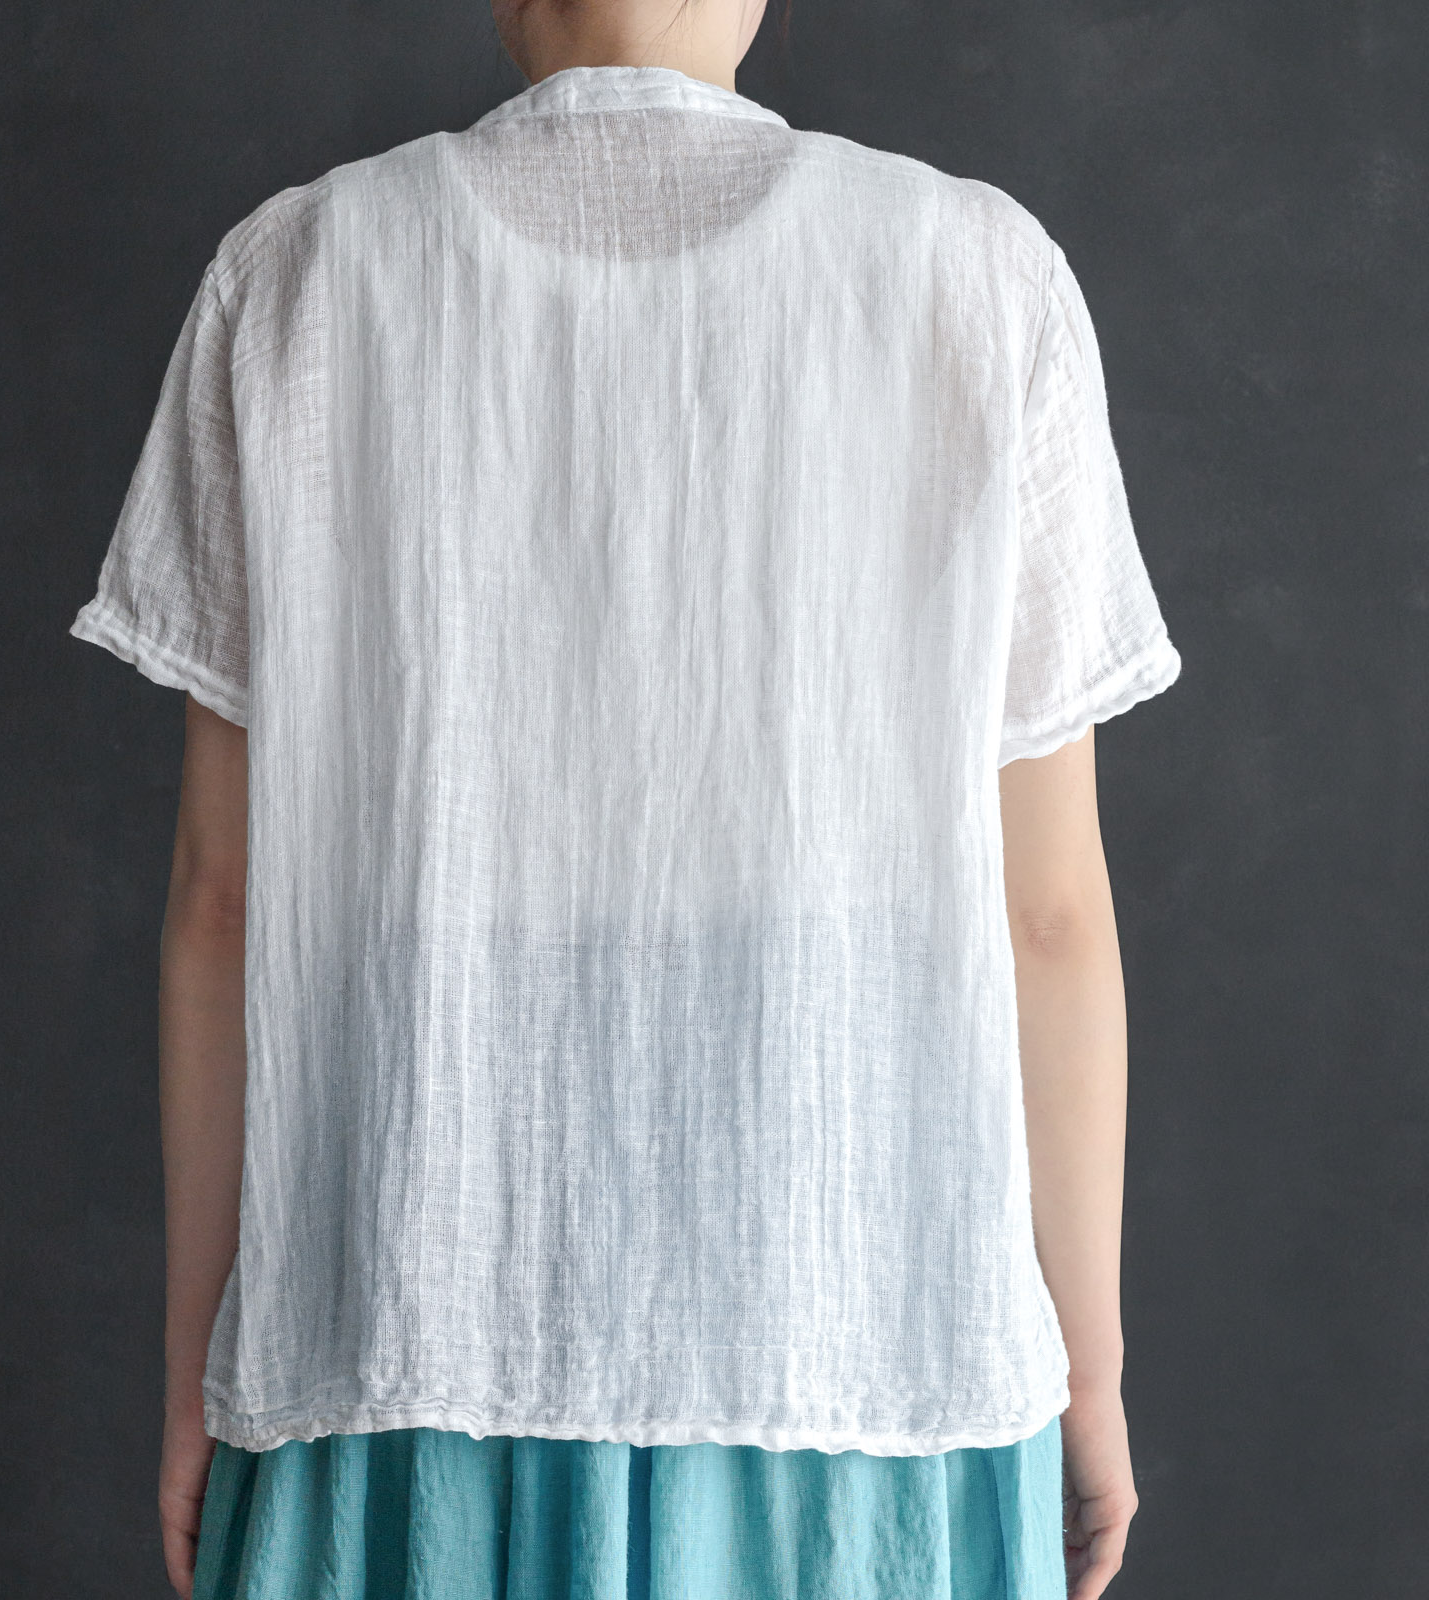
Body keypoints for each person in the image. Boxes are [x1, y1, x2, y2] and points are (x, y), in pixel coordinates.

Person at [69, 0, 1183, 1595]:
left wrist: (201, 1371)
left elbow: (222, 904)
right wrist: (1093, 1371)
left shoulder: (298, 276)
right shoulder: (976, 275)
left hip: (406, 1325)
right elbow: (1049, 914)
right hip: (857, 1335)